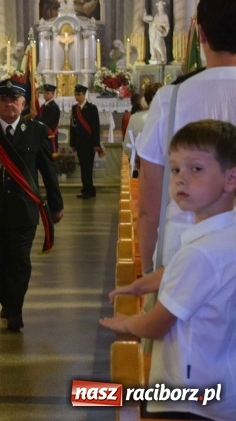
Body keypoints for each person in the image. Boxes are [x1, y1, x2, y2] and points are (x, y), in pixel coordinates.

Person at [101, 120, 236, 421]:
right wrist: (139, 286)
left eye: (196, 169)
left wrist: (128, 323)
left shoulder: (201, 254)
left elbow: (155, 325)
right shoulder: (224, 234)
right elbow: (183, 273)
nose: (180, 180)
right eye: (175, 170)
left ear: (231, 178)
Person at [135, 0, 236, 273]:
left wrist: (150, 276)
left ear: (201, 34)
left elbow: (148, 210)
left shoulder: (170, 98)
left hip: (183, 258)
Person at [0, 80, 64, 332]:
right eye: (4, 99)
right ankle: (6, 301)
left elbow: (48, 171)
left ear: (23, 104)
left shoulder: (36, 131)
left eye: (14, 100)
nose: (9, 104)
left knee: (20, 261)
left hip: (25, 209)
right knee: (1, 261)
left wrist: (56, 205)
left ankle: (15, 309)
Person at [69, 84, 102, 199]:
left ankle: (89, 190)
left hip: (89, 144)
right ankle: (86, 189)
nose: (77, 97)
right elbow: (73, 126)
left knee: (88, 168)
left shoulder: (92, 108)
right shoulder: (75, 109)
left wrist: (96, 144)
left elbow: (96, 127)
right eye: (75, 94)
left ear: (84, 95)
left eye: (79, 95)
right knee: (83, 167)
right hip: (79, 143)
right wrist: (72, 144)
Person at [35, 83, 60, 158]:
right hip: (43, 137)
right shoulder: (45, 105)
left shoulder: (53, 107)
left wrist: (35, 118)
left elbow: (46, 122)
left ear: (53, 94)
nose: (45, 94)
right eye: (44, 92)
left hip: (49, 137)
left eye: (48, 93)